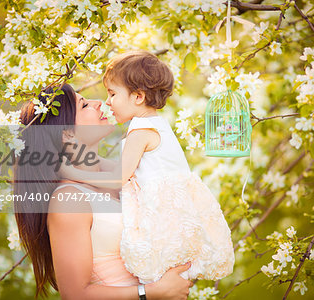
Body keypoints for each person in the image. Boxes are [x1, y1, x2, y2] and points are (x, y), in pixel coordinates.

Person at [59, 51, 235, 285]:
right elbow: (123, 169)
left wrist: (71, 173)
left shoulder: (140, 131)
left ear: (138, 97)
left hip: (163, 217)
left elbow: (118, 178)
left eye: (112, 94)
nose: (107, 102)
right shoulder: (155, 125)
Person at [14, 83, 194, 300]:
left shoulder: (121, 174)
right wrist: (152, 292)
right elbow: (74, 294)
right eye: (85, 105)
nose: (99, 103)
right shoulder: (69, 200)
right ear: (66, 134)